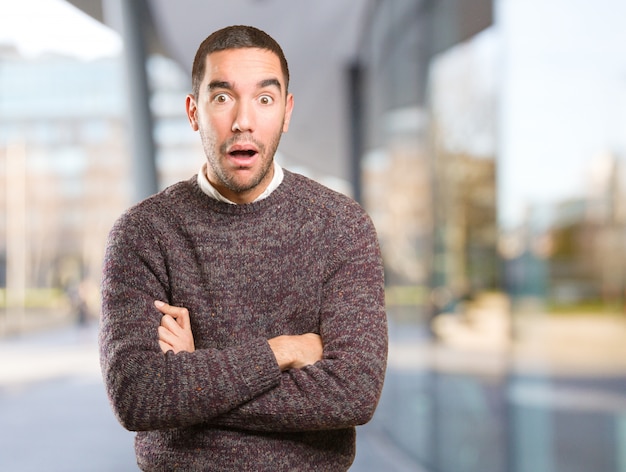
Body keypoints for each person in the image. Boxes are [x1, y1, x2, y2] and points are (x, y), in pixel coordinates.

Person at [99, 25, 387, 471]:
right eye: (222, 97)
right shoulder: (143, 233)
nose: (243, 120)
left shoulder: (341, 226)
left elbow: (353, 392)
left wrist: (194, 377)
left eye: (265, 99)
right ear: (193, 111)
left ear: (287, 113)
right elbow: (138, 395)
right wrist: (282, 352)